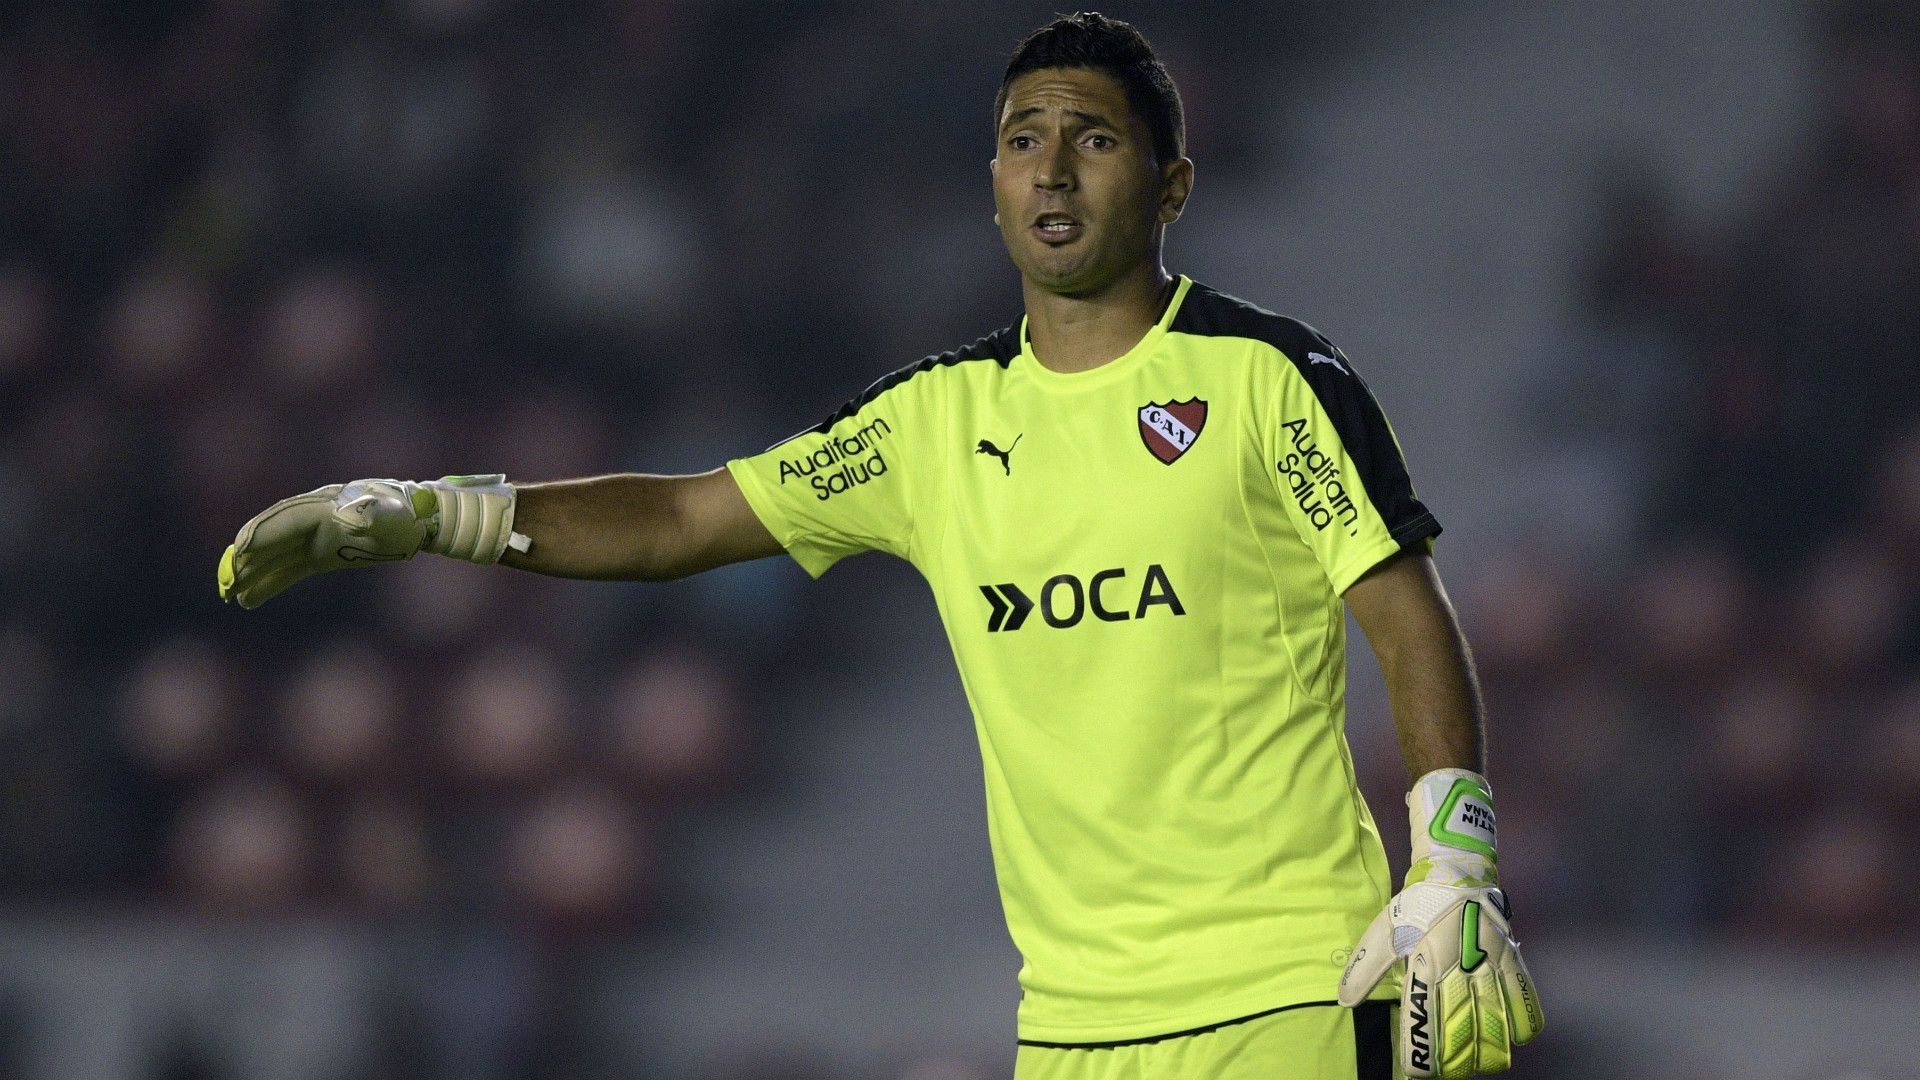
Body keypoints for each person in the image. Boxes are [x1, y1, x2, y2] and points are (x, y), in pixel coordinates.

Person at [217, 13, 1541, 1080]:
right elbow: (684, 517)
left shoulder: (1267, 379)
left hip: (1280, 991)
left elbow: (1402, 608)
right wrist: (435, 512)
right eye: (1026, 140)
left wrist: (1453, 862)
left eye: (1096, 140)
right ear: (993, 185)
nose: (1056, 170)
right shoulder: (931, 424)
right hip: (1073, 1020)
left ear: (1172, 182)